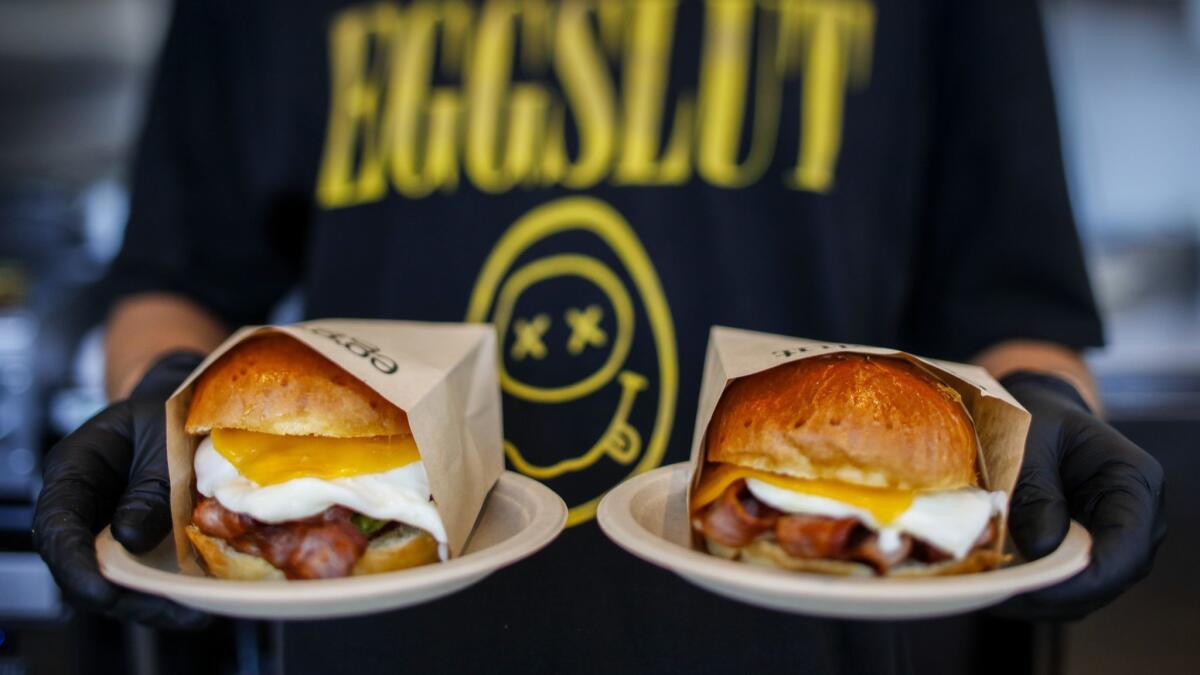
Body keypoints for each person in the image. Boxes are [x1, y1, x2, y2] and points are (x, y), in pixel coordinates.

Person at [34, 0, 1165, 672]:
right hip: (381, 649)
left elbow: (1013, 313)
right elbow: (172, 282)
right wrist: (164, 396)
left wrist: (1052, 421)